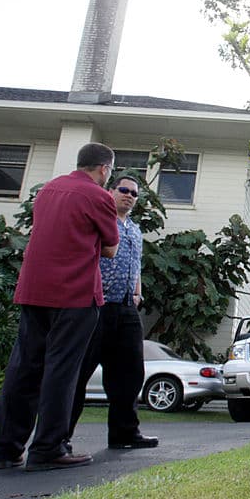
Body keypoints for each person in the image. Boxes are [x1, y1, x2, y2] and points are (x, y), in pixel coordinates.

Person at [0, 143, 119, 472]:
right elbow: (111, 249)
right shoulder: (98, 196)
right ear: (104, 169)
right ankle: (48, 447)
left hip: (34, 291)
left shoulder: (48, 190)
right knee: (62, 371)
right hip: (74, 295)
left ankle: (5, 449)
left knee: (23, 367)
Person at [68, 174, 158, 450]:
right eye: (124, 190)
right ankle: (59, 437)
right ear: (110, 191)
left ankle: (124, 434)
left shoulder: (134, 230)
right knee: (78, 374)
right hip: (95, 307)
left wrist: (137, 293)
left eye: (134, 193)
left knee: (129, 375)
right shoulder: (98, 222)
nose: (129, 196)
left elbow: (136, 265)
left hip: (127, 309)